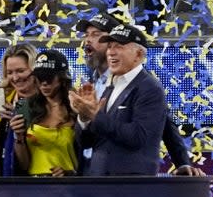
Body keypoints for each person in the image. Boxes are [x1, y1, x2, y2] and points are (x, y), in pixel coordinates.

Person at [69, 23, 168, 175]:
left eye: (119, 46)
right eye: (109, 46)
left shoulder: (149, 88)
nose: (111, 52)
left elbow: (137, 137)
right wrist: (84, 118)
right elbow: (87, 142)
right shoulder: (109, 87)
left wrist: (96, 116)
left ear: (138, 55)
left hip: (128, 185)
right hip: (99, 184)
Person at [10, 49, 80, 176]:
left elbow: (87, 152)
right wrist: (18, 137)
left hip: (70, 186)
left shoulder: (75, 108)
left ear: (62, 78)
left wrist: (69, 174)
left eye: (49, 77)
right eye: (40, 77)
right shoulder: (28, 108)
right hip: (35, 187)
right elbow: (24, 165)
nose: (44, 83)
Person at [0, 44, 38, 177]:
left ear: (34, 70)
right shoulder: (1, 98)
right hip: (3, 179)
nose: (15, 78)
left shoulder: (47, 101)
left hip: (35, 180)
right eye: (10, 72)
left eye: (20, 71)